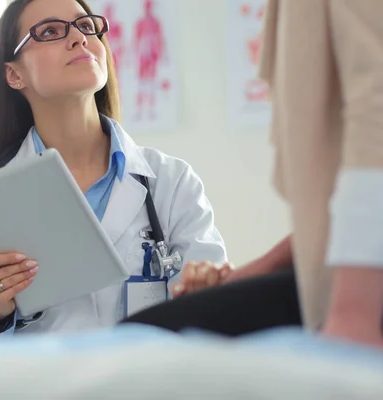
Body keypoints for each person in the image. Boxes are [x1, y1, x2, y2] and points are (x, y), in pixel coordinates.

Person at [0, 0, 227, 341]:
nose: (78, 38)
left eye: (86, 26)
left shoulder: (172, 183)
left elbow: (215, 318)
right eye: (50, 31)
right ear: (14, 74)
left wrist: (206, 292)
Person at [123, 0, 383, 349]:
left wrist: (355, 312)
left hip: (360, 285)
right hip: (328, 262)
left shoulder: (168, 175)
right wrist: (264, 265)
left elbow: (375, 107)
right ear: (19, 76)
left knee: (149, 338)